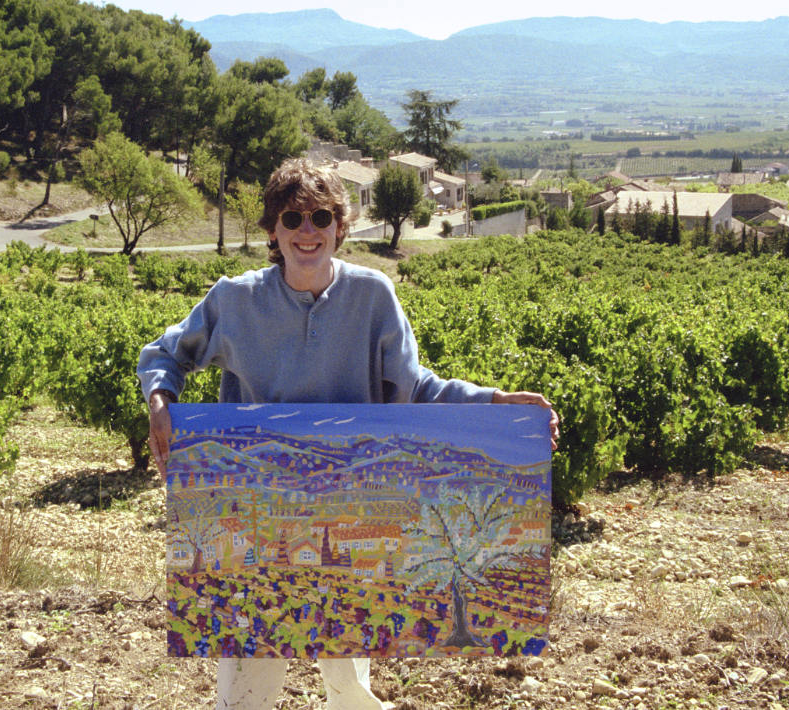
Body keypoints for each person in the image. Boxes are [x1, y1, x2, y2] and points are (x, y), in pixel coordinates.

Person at [137, 158, 559, 710]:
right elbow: (162, 354)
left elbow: (416, 388)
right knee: (247, 673)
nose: (306, 230)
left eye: (319, 216)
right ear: (273, 231)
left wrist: (496, 403)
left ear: (339, 226)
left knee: (349, 674)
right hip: (255, 506)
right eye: (292, 218)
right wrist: (159, 401)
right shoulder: (235, 299)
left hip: (350, 506)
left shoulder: (373, 296)